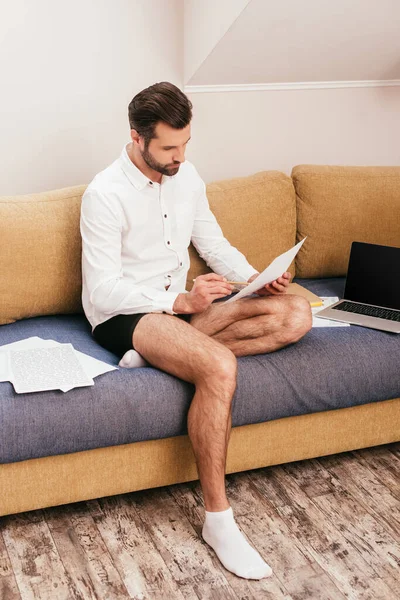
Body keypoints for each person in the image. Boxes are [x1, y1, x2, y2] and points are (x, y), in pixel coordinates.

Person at [80, 81, 312, 580]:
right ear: (137, 138)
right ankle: (218, 519)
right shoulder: (104, 194)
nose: (179, 156)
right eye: (168, 147)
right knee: (219, 366)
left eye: (186, 144)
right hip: (129, 316)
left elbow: (212, 242)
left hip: (182, 314)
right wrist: (177, 301)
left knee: (296, 315)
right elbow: (102, 291)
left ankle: (167, 355)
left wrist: (256, 278)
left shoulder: (186, 176)